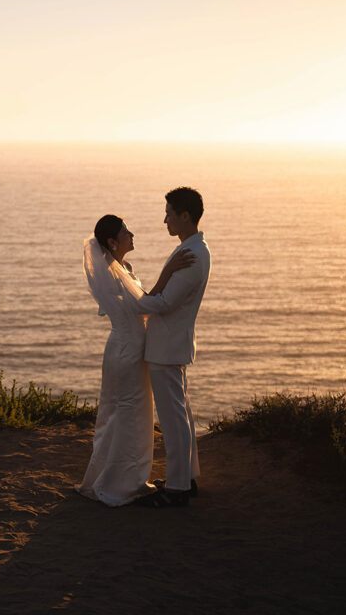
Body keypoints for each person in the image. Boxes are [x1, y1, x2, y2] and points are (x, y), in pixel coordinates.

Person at [78, 213, 194, 506]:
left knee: (125, 415)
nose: (132, 235)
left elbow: (137, 304)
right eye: (126, 232)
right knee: (129, 415)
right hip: (128, 352)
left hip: (125, 348)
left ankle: (117, 477)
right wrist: (169, 271)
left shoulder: (121, 269)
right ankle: (122, 484)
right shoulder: (114, 273)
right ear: (113, 242)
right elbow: (148, 305)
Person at [132, 187, 211, 508]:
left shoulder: (191, 255)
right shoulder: (192, 249)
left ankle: (178, 489)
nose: (165, 219)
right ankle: (186, 479)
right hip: (171, 344)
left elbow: (163, 303)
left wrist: (135, 299)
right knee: (181, 415)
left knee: (173, 418)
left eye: (169, 213)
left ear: (185, 216)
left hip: (167, 346)